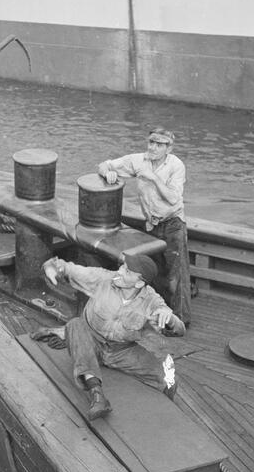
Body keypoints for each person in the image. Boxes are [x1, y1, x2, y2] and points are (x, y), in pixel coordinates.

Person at [38, 253, 185, 420]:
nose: (120, 271)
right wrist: (51, 267)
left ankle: (166, 416)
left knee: (168, 377)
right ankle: (97, 396)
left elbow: (179, 331)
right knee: (75, 324)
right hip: (91, 339)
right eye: (123, 266)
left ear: (139, 283)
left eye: (127, 271)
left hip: (121, 351)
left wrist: (170, 319)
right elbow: (68, 268)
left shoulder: (152, 300)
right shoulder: (104, 279)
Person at [97, 127, 192, 326]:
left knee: (176, 276)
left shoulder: (176, 165)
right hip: (151, 225)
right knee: (154, 272)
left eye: (159, 145)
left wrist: (154, 178)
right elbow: (104, 164)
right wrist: (108, 173)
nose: (153, 148)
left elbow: (173, 198)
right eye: (151, 142)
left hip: (173, 224)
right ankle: (156, 313)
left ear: (169, 148)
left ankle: (181, 321)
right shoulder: (138, 160)